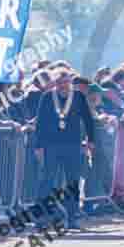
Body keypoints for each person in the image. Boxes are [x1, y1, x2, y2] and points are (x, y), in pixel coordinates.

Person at [33, 67, 95, 230]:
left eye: (66, 82)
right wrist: (38, 145)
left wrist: (91, 139)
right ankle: (40, 218)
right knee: (47, 180)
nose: (63, 85)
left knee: (72, 182)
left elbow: (88, 119)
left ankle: (73, 218)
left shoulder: (79, 96)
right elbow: (40, 122)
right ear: (55, 83)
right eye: (60, 82)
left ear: (70, 82)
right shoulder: (47, 97)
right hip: (51, 145)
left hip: (72, 144)